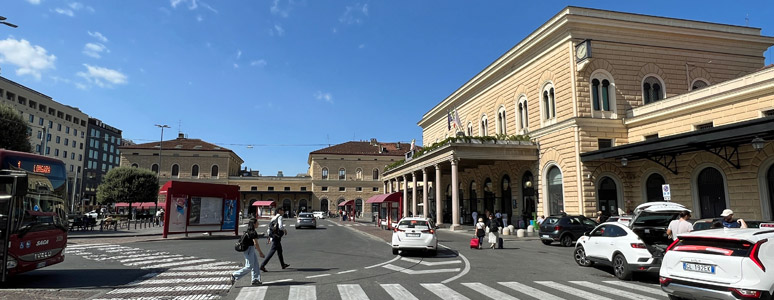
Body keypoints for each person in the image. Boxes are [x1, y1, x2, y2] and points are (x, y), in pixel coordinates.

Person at [231, 218, 265, 286]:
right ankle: (235, 275)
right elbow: (256, 243)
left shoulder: (249, 231)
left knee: (255, 264)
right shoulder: (253, 232)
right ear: (254, 224)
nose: (258, 224)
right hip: (249, 249)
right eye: (257, 222)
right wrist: (260, 252)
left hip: (250, 249)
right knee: (249, 266)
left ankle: (255, 279)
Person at [260, 207, 290, 272]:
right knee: (272, 251)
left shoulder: (273, 218)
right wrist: (284, 230)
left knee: (280, 250)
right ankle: (263, 265)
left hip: (274, 236)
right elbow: (280, 227)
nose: (283, 211)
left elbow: (269, 228)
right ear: (279, 211)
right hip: (277, 237)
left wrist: (270, 237)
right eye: (282, 210)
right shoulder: (280, 217)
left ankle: (283, 264)